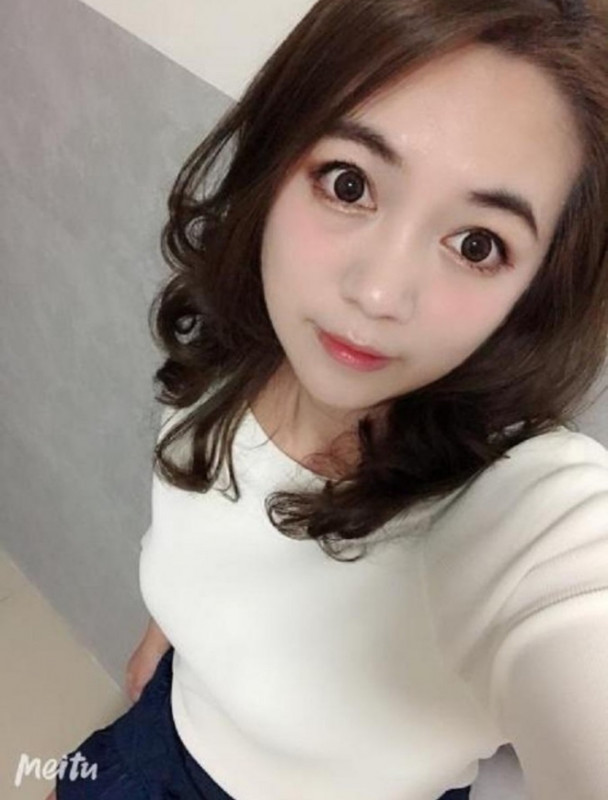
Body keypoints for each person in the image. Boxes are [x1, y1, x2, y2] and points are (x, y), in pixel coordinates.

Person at [50, 0, 608, 798]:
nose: (378, 293)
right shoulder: (233, 355)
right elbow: (211, 537)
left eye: (477, 244)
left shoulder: (525, 521)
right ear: (277, 159)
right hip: (162, 734)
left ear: (536, 289)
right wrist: (167, 641)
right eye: (349, 184)